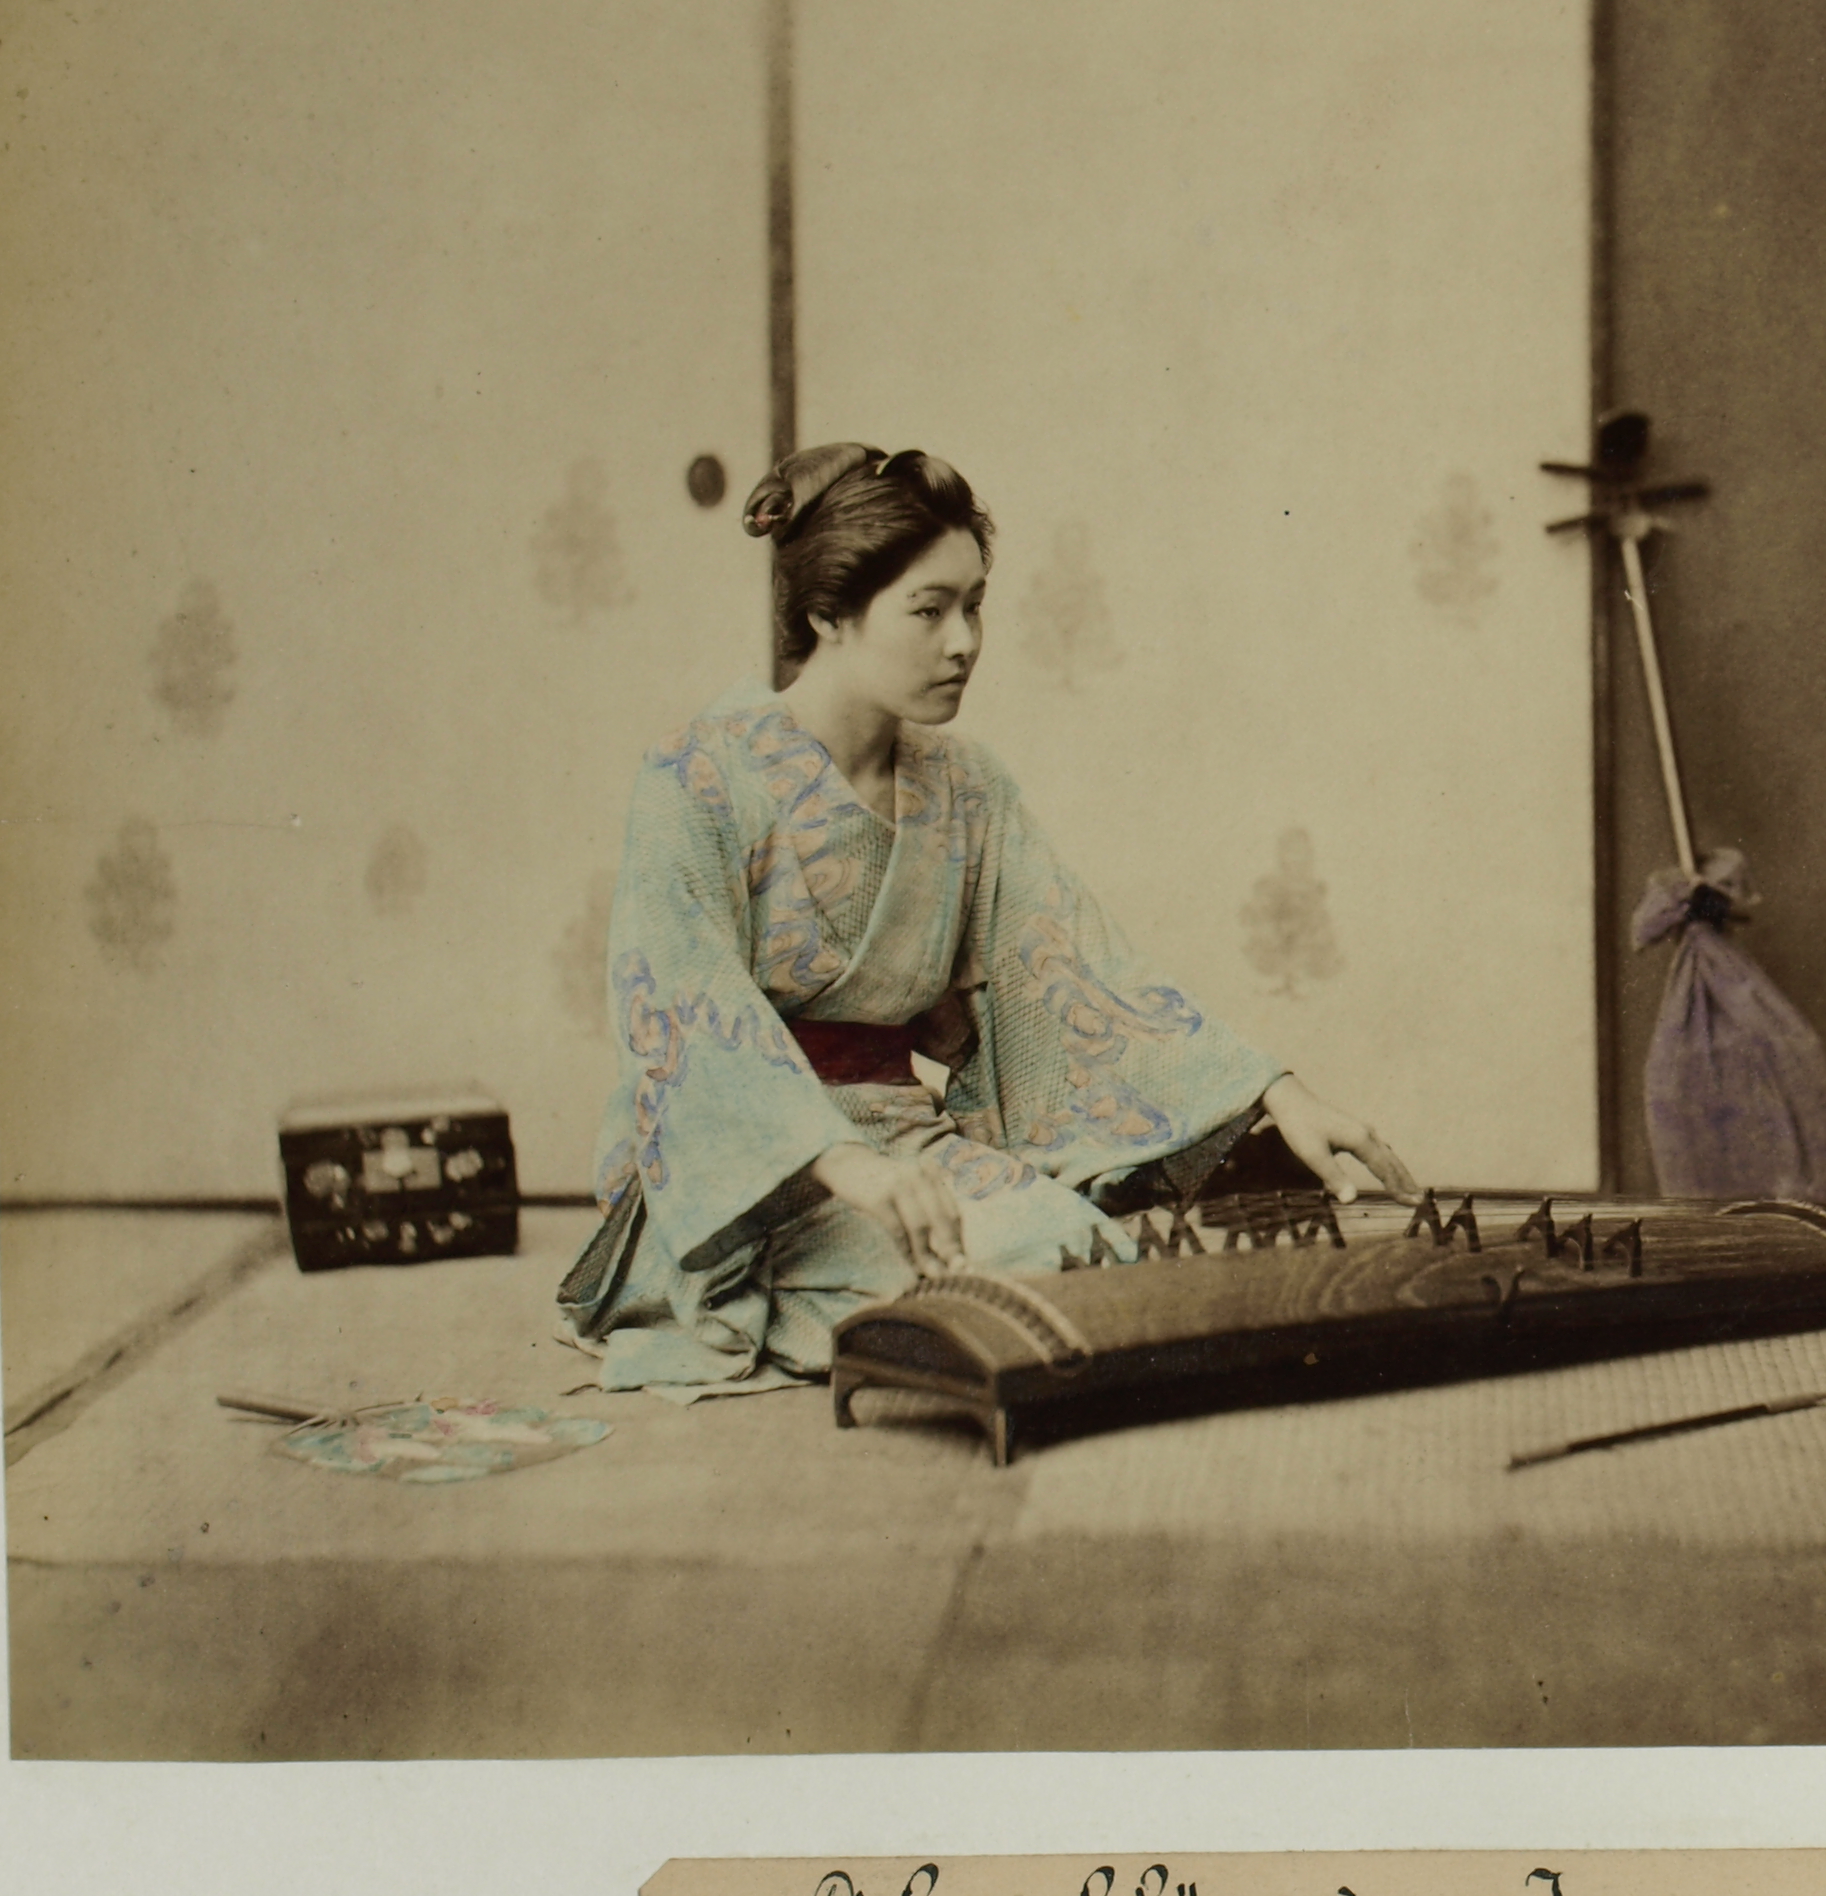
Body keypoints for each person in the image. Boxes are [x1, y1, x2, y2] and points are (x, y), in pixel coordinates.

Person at [557, 443, 1418, 1397]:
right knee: (1000, 1290)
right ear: (828, 613)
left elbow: (1073, 969)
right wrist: (841, 1162)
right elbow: (685, 1006)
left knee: (1079, 1255)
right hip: (745, 1175)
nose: (964, 642)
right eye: (929, 611)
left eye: (974, 607)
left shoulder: (964, 785)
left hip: (901, 1143)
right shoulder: (698, 774)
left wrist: (1272, 1093)